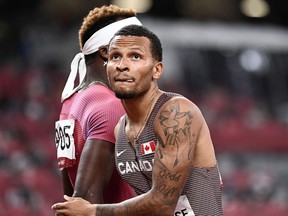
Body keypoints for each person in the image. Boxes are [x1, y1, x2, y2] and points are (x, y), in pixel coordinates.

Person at [52, 25, 223, 215]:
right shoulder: (120, 129)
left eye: (135, 56)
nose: (122, 65)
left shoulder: (176, 113)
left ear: (156, 70)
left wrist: (93, 211)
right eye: (115, 56)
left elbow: (163, 204)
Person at [54, 5, 142, 204]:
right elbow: (86, 199)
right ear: (106, 53)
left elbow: (69, 196)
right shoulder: (111, 105)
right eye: (136, 52)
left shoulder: (71, 102)